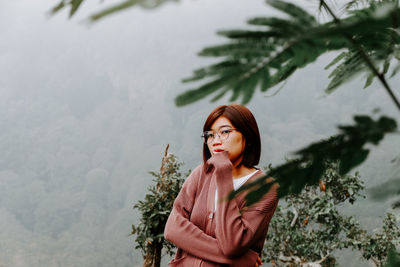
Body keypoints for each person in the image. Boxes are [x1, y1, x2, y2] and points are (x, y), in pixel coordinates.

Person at [164, 104, 279, 267]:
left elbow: (232, 244)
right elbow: (172, 229)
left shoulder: (265, 189)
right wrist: (243, 260)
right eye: (209, 135)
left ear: (247, 135)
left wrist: (224, 174)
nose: (215, 141)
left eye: (225, 132)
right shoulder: (201, 174)